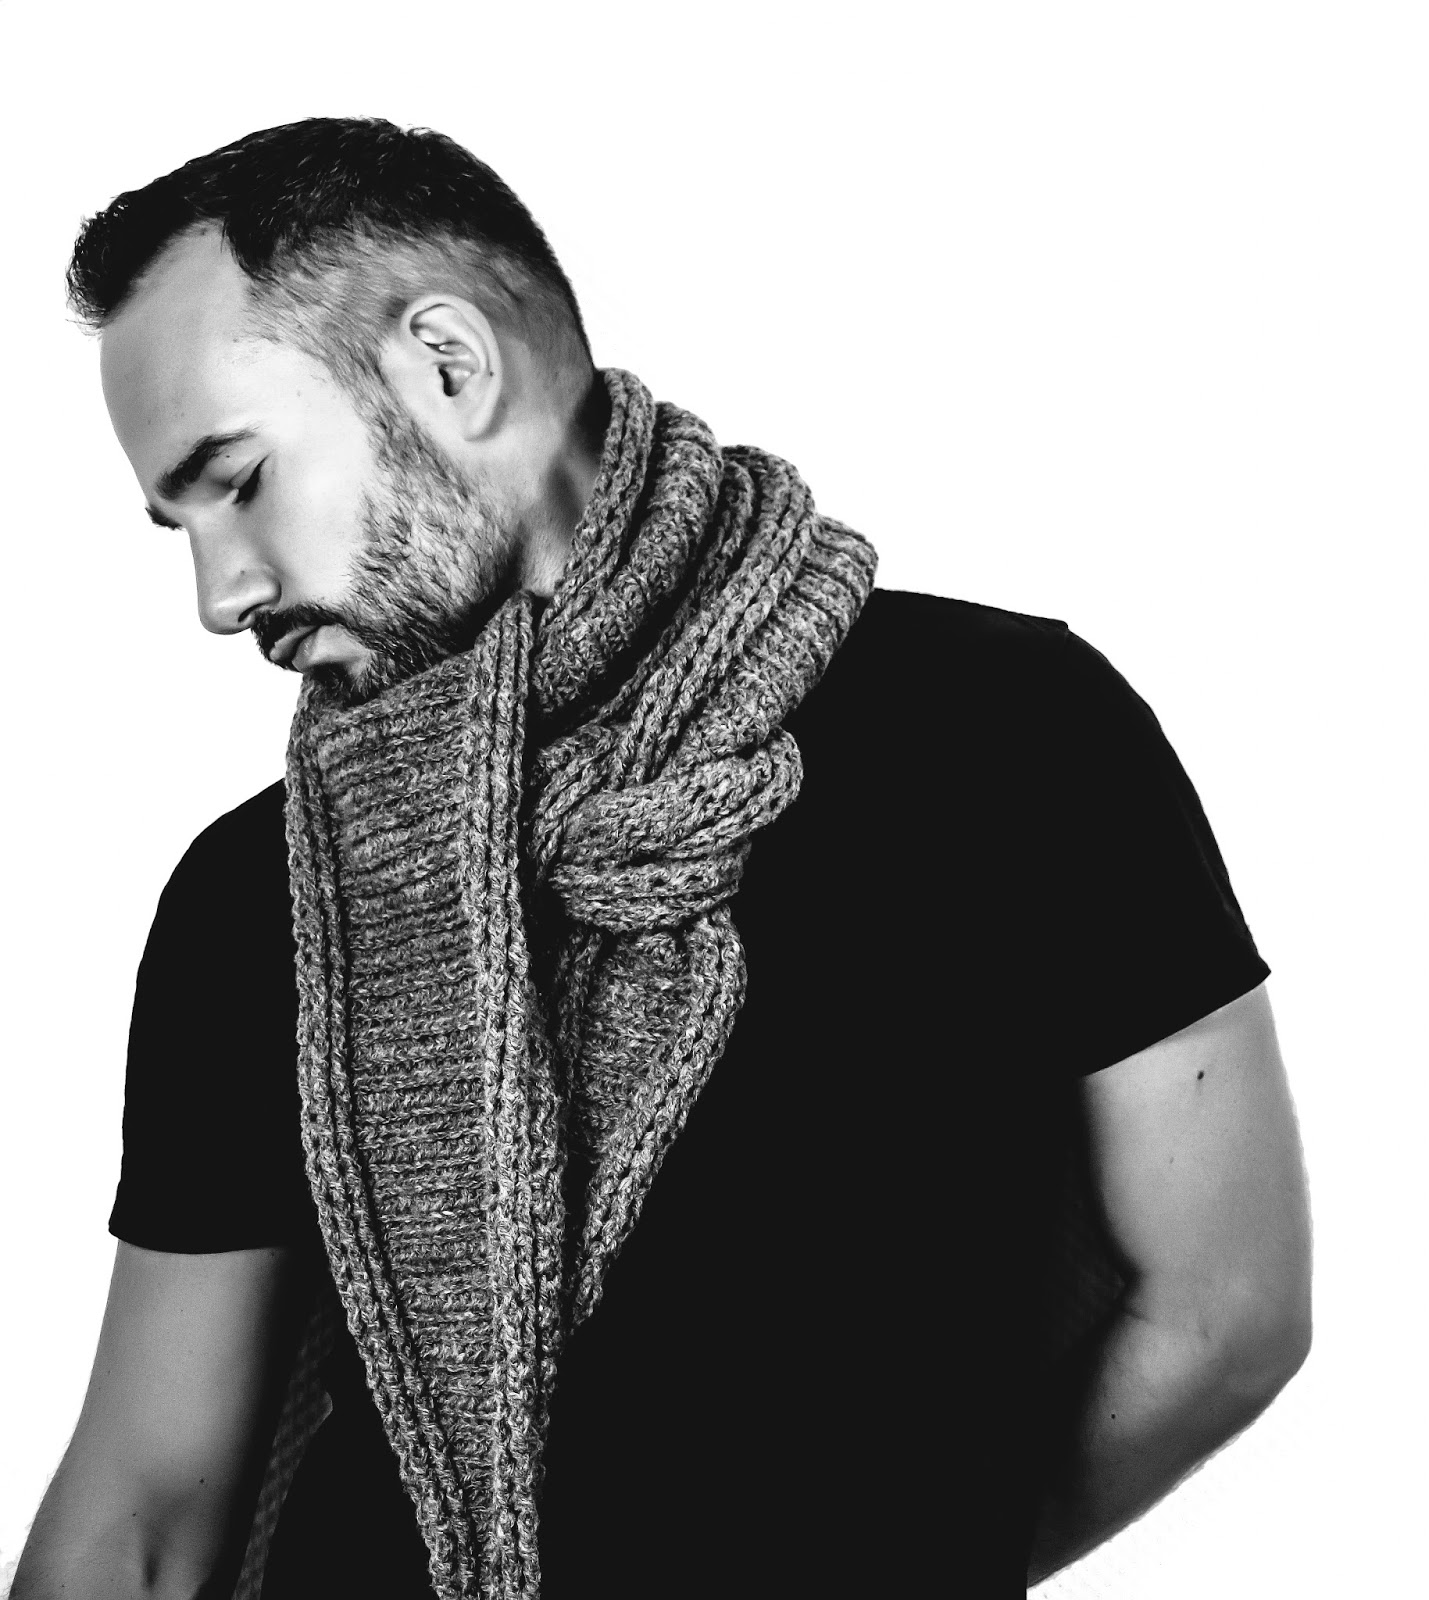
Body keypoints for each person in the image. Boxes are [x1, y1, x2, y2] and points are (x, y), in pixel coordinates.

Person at [13, 117, 1312, 1600]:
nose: (217, 592)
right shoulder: (260, 892)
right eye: (175, 524)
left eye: (238, 480)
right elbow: (145, 1515)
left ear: (450, 368)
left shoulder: (1009, 737)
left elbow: (1223, 1310)